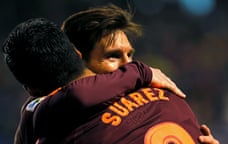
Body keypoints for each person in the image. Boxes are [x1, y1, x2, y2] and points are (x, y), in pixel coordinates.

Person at [2, 18, 186, 144]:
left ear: (31, 90)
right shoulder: (168, 95)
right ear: (78, 53)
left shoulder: (39, 116)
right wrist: (141, 71)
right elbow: (78, 94)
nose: (125, 63)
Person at [61, 4, 219, 144]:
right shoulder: (61, 124)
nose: (129, 66)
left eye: (129, 55)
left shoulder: (161, 93)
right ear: (77, 61)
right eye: (113, 56)